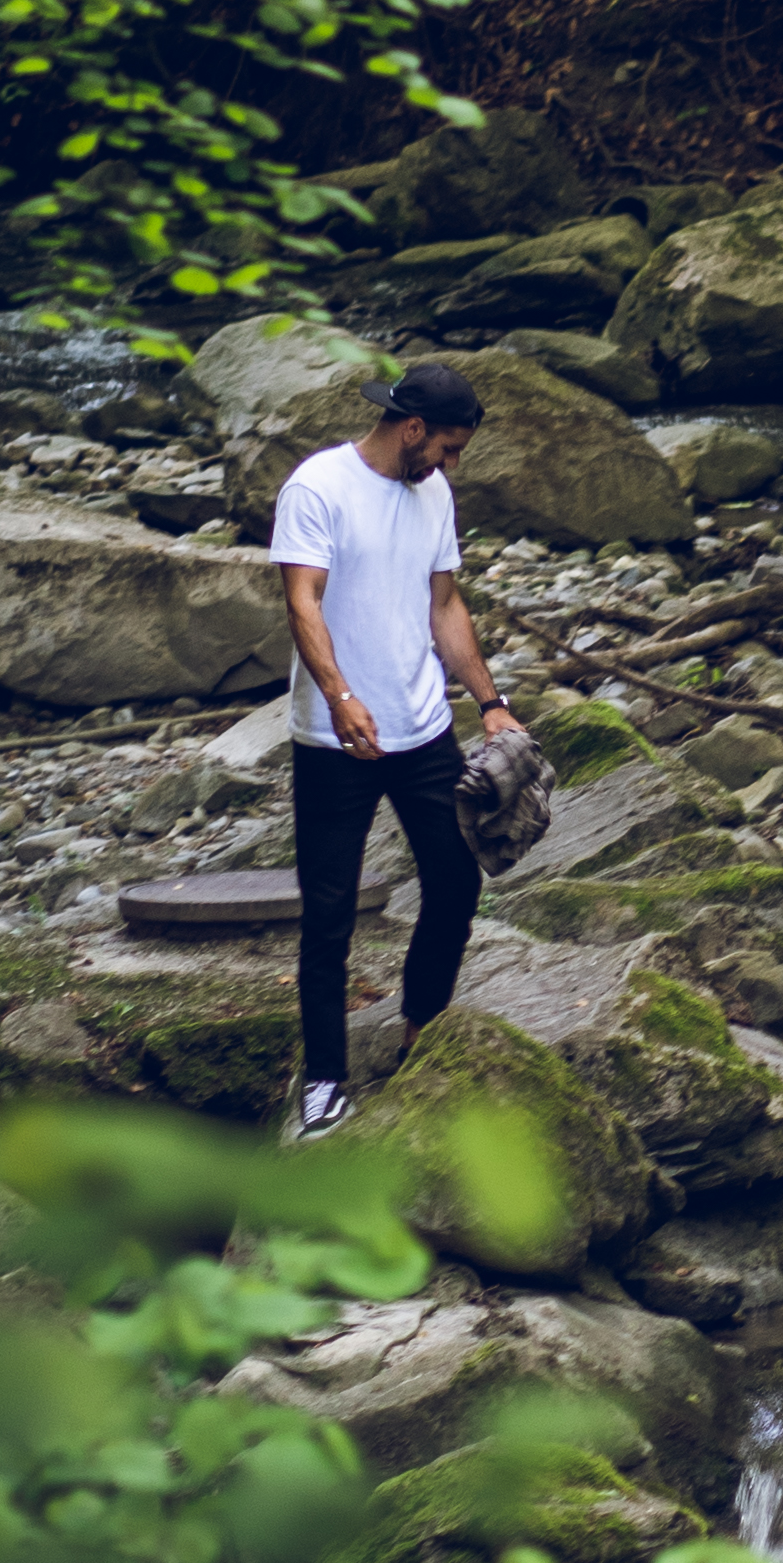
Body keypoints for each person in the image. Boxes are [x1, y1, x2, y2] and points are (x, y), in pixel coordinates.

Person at [268, 359, 529, 1135]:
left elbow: (444, 604)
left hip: (422, 729)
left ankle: (421, 1027)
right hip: (333, 739)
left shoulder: (434, 493)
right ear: (411, 429)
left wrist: (492, 704)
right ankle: (323, 1082)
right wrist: (341, 696)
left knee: (455, 880)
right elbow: (300, 600)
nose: (452, 466)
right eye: (447, 449)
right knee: (329, 913)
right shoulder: (318, 487)